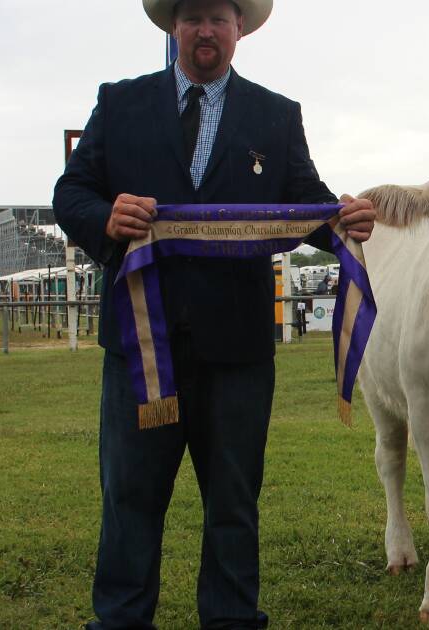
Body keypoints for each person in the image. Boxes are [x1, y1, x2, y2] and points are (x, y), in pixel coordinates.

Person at [51, 1, 375, 628]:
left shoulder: (276, 116)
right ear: (174, 27)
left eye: (219, 18)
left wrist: (342, 217)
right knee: (129, 502)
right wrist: (103, 218)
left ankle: (231, 619)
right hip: (141, 348)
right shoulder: (119, 103)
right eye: (193, 16)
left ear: (240, 30)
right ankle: (119, 619)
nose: (205, 30)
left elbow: (305, 202)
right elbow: (71, 192)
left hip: (238, 356)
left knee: (233, 504)